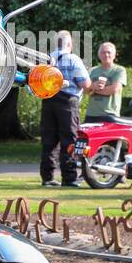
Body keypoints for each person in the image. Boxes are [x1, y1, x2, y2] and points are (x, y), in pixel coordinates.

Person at [40, 29, 89, 187]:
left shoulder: (46, 60)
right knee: (69, 139)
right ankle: (69, 177)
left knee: (49, 141)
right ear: (70, 44)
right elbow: (84, 83)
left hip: (48, 100)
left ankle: (47, 177)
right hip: (67, 102)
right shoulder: (73, 59)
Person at [84, 41, 127, 122]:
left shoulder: (119, 70)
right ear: (99, 55)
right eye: (103, 52)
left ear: (114, 55)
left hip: (110, 114)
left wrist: (93, 89)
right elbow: (85, 90)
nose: (106, 55)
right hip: (91, 114)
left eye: (109, 52)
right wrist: (92, 86)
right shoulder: (92, 71)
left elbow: (113, 90)